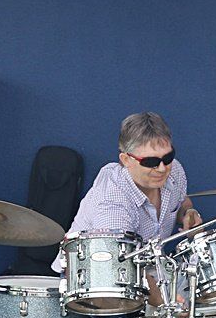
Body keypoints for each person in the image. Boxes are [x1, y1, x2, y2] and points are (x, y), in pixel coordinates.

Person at [53, 112, 202, 304]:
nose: (162, 168)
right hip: (95, 279)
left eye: (168, 157)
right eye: (150, 162)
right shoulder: (112, 199)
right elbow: (121, 264)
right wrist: (167, 304)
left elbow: (181, 200)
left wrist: (188, 213)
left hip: (149, 268)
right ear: (126, 160)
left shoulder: (174, 171)